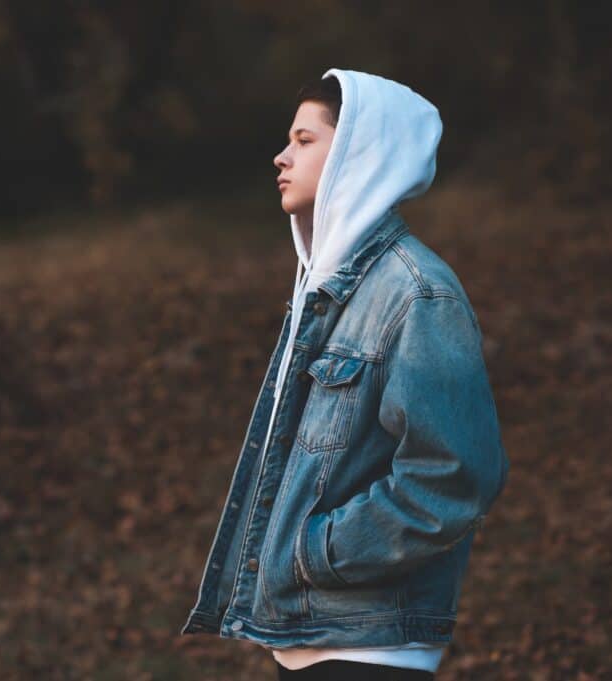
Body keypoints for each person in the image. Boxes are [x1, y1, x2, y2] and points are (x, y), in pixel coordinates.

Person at [179, 69, 509, 681]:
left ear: (359, 152)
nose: (281, 156)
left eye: (305, 140)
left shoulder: (417, 294)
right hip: (307, 636)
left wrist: (313, 550)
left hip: (369, 645)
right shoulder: (326, 290)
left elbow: (453, 478)